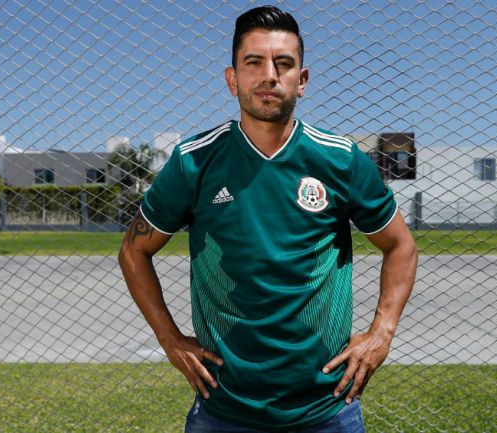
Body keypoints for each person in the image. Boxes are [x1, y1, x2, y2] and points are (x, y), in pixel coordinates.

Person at [118, 5, 418, 432]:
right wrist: (170, 338)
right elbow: (133, 250)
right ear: (232, 78)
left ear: (303, 80)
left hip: (327, 406)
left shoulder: (341, 159)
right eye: (253, 62)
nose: (269, 75)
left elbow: (400, 245)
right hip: (224, 409)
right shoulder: (194, 161)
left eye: (284, 63)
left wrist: (381, 333)